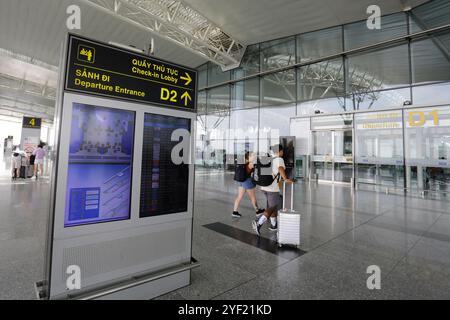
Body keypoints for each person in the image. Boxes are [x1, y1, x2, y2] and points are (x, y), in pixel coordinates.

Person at [252, 144, 294, 235]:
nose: (282, 153)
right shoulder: (279, 159)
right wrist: (285, 178)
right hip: (272, 188)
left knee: (273, 206)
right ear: (280, 151)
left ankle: (274, 225)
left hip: (264, 187)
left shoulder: (269, 158)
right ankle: (259, 223)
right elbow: (280, 168)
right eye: (282, 151)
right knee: (272, 207)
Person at [232, 152, 265, 218]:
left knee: (239, 196)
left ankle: (234, 212)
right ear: (248, 157)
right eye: (253, 156)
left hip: (241, 181)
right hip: (247, 181)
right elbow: (259, 167)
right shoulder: (250, 163)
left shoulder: (242, 162)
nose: (254, 157)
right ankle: (257, 211)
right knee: (252, 197)